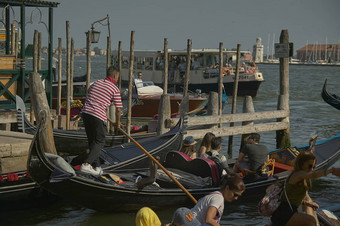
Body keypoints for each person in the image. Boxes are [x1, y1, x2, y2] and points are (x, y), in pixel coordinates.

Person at [271, 151, 339, 226]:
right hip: (285, 213)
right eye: (310, 166)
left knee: (310, 216)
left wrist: (308, 203)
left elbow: (291, 198)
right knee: (311, 221)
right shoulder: (298, 174)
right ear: (301, 164)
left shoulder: (298, 176)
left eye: (314, 167)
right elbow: (313, 175)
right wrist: (331, 171)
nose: (312, 169)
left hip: (285, 212)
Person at [79, 66, 122, 176]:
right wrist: (117, 124)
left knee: (93, 142)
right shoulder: (115, 89)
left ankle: (97, 167)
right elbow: (118, 110)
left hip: (85, 113)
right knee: (100, 141)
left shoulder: (97, 82)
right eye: (118, 77)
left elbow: (89, 90)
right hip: (97, 115)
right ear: (115, 76)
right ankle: (86, 165)